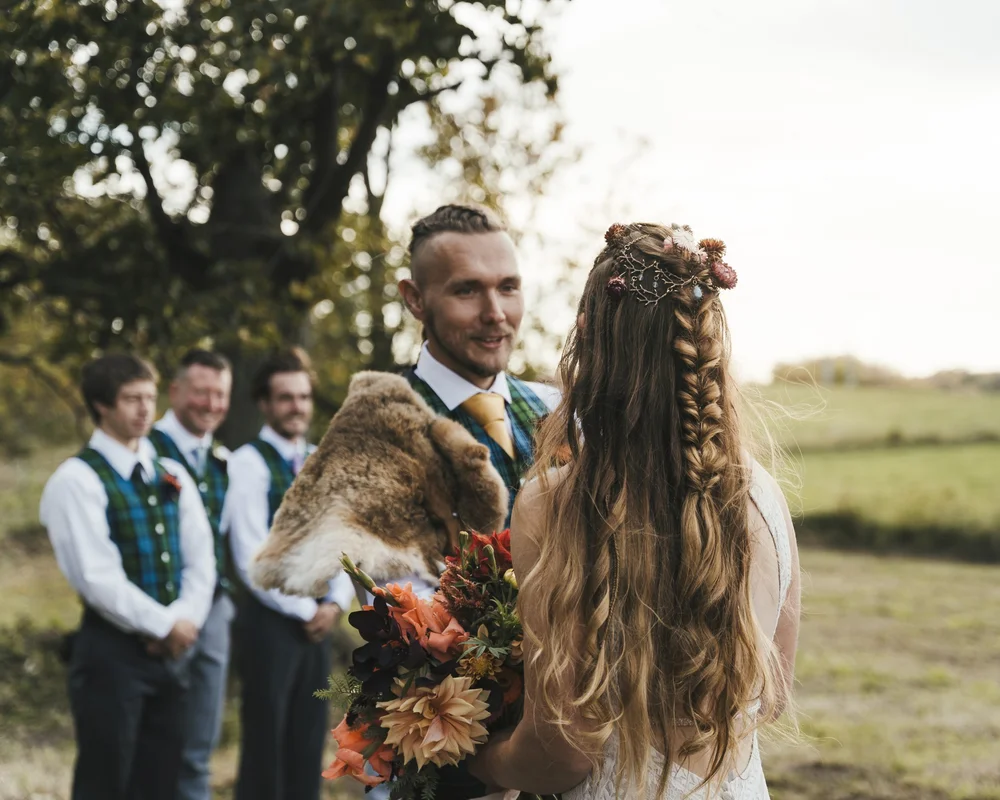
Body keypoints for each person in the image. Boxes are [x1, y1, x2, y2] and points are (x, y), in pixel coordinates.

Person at [468, 223, 802, 799]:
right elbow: (770, 696)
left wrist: (481, 762)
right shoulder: (764, 496)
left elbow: (562, 752)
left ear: (587, 340)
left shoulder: (555, 503)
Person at [39, 353, 216, 800]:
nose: (144, 409)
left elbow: (201, 559)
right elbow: (96, 577)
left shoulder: (171, 473)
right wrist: (164, 625)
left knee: (161, 782)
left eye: (149, 398)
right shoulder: (76, 480)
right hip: (111, 657)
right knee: (106, 782)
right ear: (102, 405)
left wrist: (185, 622)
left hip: (171, 656)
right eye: (131, 399)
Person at [226, 348, 356, 800]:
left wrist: (335, 601)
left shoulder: (322, 459)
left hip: (318, 621)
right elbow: (250, 555)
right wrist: (305, 609)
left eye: (302, 397)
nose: (296, 406)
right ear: (265, 403)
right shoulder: (247, 463)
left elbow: (343, 537)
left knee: (307, 740)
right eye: (285, 398)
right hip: (270, 622)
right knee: (266, 744)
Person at [398, 203, 561, 532]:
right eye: (466, 290)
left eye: (507, 287)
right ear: (415, 299)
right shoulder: (383, 433)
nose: (495, 313)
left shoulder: (556, 409)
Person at [145, 348, 234, 800]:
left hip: (214, 609)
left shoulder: (221, 460)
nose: (212, 404)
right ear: (175, 390)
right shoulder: (146, 448)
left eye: (221, 394)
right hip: (157, 609)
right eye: (202, 392)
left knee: (200, 744)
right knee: (154, 742)